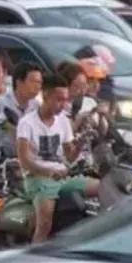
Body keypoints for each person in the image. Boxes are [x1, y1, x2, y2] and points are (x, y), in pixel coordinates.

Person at [16, 74, 99, 243]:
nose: (63, 105)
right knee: (44, 224)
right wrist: (48, 171)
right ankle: (33, 259)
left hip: (61, 176)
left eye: (65, 100)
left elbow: (69, 155)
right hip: (38, 179)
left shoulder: (63, 121)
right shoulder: (27, 123)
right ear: (45, 95)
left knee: (103, 188)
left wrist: (81, 142)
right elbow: (24, 161)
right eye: (58, 100)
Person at [0, 62, 43, 161]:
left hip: (20, 160)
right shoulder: (2, 103)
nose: (38, 86)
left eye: (39, 82)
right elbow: (7, 129)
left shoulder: (36, 105)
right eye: (33, 82)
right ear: (19, 82)